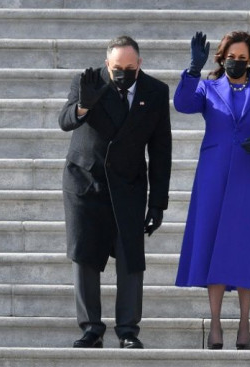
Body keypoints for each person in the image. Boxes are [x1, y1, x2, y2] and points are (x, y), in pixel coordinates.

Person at [174, 31, 250, 350]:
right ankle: (215, 323)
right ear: (221, 58)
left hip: (249, 177)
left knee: (243, 248)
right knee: (213, 244)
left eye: (242, 58)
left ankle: (244, 323)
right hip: (213, 175)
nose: (236, 63)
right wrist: (193, 70)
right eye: (231, 57)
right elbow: (182, 104)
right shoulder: (208, 88)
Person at [58, 36, 172, 349]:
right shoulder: (88, 81)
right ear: (108, 64)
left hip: (129, 185)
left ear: (140, 64)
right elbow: (64, 121)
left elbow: (161, 149)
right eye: (118, 67)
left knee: (131, 260)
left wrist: (158, 202)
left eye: (130, 68)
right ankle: (91, 329)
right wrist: (84, 105)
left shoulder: (156, 91)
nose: (123, 73)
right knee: (85, 256)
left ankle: (128, 331)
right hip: (86, 182)